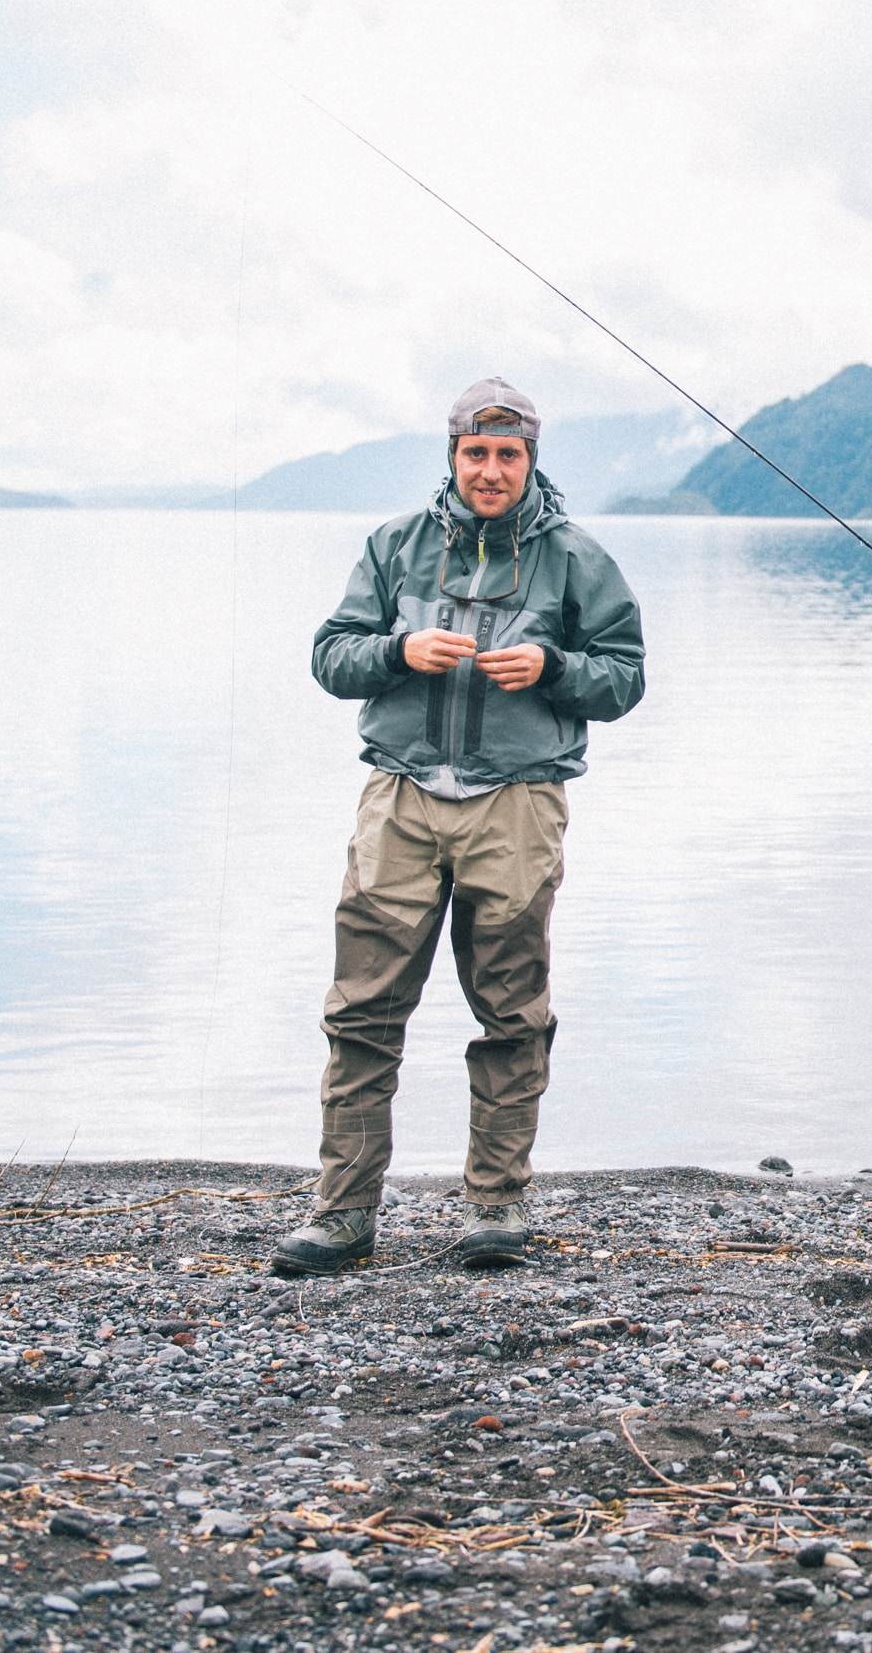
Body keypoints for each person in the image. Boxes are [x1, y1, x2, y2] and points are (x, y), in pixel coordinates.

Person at [273, 377, 647, 1274]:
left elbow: (624, 676)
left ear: (530, 459)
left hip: (516, 802)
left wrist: (555, 667)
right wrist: (398, 652)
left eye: (507, 455)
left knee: (512, 1013)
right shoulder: (395, 546)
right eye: (475, 454)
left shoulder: (576, 559)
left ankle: (496, 1207)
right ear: (452, 456)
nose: (490, 470)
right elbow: (331, 655)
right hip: (398, 797)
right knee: (362, 1010)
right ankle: (343, 1215)